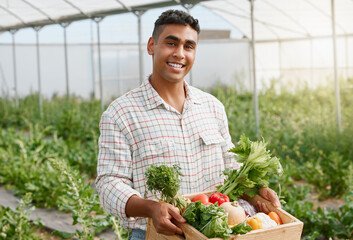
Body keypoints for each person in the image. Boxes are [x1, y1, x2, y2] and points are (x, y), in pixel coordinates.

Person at [95, 9, 281, 240]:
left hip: (216, 233)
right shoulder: (121, 113)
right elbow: (109, 183)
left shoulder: (212, 107)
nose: (179, 54)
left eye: (188, 46)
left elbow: (230, 166)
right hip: (156, 235)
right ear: (152, 46)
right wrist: (152, 208)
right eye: (171, 43)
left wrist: (256, 193)